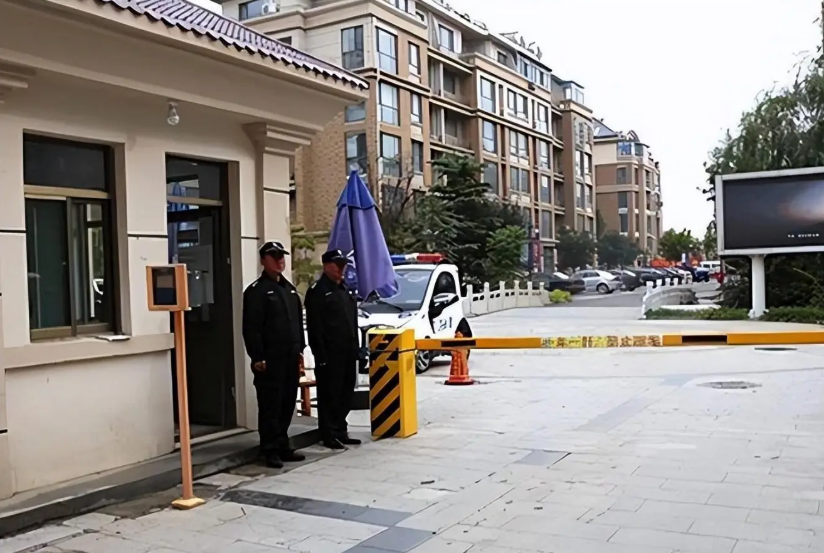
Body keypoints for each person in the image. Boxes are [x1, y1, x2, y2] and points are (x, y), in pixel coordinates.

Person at [242, 240, 306, 468]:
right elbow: (251, 328)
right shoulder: (256, 291)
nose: (280, 261)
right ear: (263, 260)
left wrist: (300, 350)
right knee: (270, 405)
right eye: (275, 256)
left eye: (282, 256)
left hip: (290, 357)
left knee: (287, 402)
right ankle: (269, 448)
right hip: (270, 359)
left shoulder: (289, 290)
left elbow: (297, 323)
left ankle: (282, 443)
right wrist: (257, 356)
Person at [305, 249, 361, 449]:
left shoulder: (343, 289)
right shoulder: (318, 291)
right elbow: (315, 327)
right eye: (337, 265)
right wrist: (320, 355)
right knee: (330, 394)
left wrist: (356, 348)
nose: (341, 269)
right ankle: (328, 433)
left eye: (343, 265)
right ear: (327, 265)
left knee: (346, 393)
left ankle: (340, 429)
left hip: (347, 352)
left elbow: (351, 322)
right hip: (330, 354)